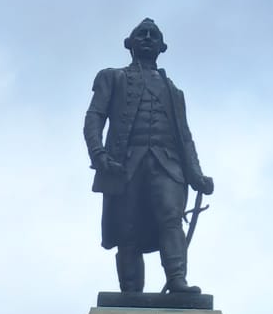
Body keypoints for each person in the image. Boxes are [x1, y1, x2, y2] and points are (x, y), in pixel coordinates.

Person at [83, 17, 215, 298]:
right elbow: (94, 117)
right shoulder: (112, 77)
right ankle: (131, 292)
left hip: (167, 165)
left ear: (162, 46)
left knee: (170, 218)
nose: (146, 38)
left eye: (153, 35)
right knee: (127, 230)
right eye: (141, 34)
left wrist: (196, 175)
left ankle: (177, 279)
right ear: (129, 44)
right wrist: (98, 154)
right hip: (125, 165)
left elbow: (185, 137)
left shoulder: (174, 92)